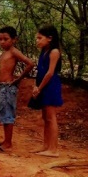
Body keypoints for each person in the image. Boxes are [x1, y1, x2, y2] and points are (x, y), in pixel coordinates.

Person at [0, 26, 35, 154]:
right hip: (2, 86)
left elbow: (30, 63)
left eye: (6, 39)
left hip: (8, 87)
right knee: (4, 114)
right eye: (0, 39)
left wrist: (19, 78)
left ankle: (8, 143)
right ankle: (6, 140)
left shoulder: (14, 51)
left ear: (14, 40)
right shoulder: (5, 52)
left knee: (8, 114)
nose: (2, 42)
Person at [32, 25, 63, 157]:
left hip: (50, 86)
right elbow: (40, 71)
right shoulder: (43, 51)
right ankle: (46, 145)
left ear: (49, 38)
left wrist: (40, 88)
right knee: (45, 117)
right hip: (42, 85)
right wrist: (35, 86)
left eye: (40, 38)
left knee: (51, 117)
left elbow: (50, 73)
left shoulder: (54, 52)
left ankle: (53, 149)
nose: (37, 41)